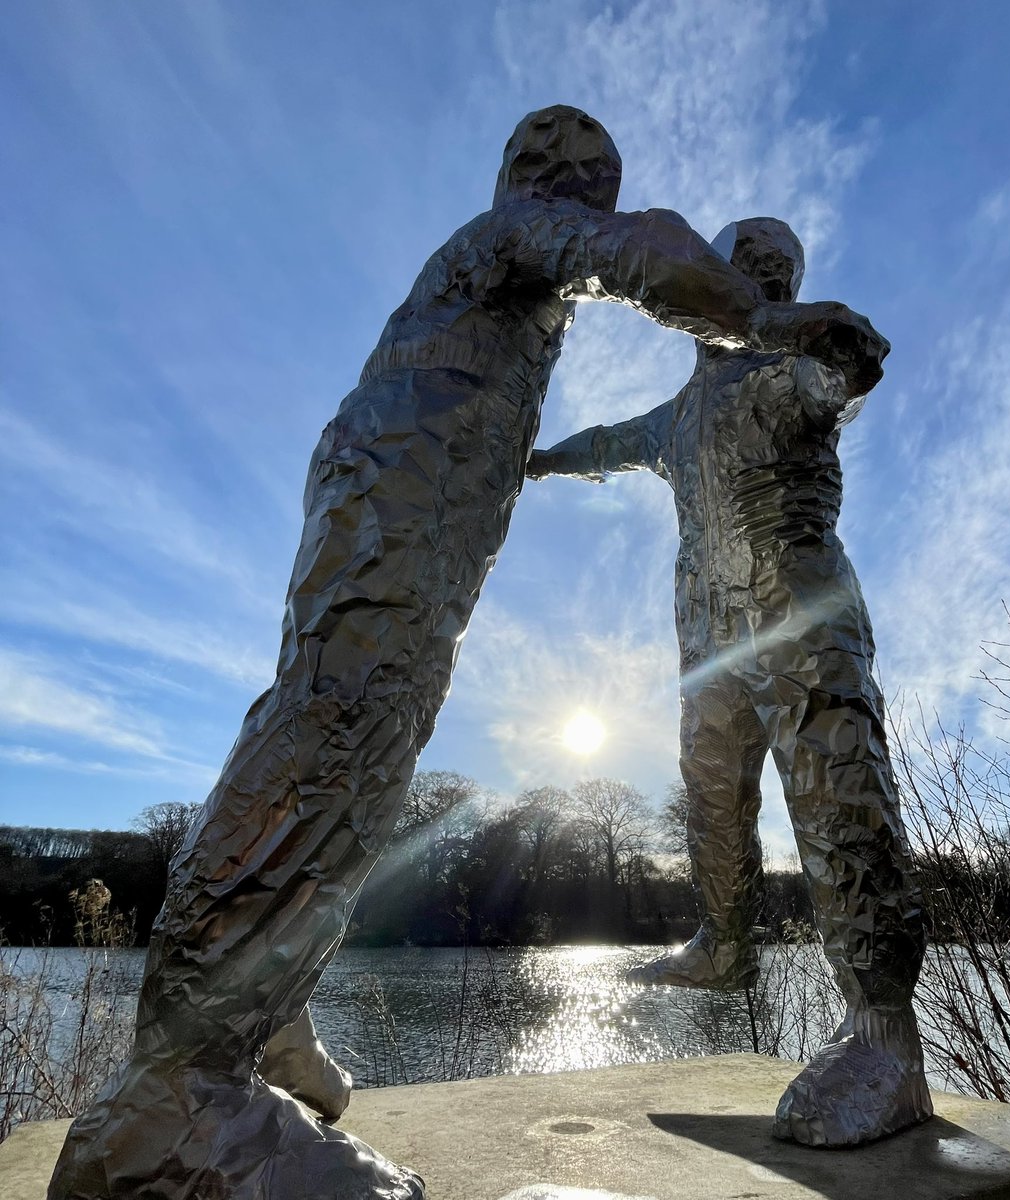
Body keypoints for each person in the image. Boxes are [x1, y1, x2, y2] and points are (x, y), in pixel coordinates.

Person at [49, 116, 890, 1199]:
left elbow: (747, 381)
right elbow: (640, 258)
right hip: (406, 500)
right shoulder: (517, 238)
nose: (600, 198)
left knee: (375, 740)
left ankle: (261, 1010)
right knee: (337, 724)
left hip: (456, 519)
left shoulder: (561, 304)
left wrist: (539, 456)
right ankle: (178, 1089)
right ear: (551, 181)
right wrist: (756, 318)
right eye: (592, 181)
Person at [527, 217, 929, 1148]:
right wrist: (540, 460)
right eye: (749, 270)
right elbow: (607, 444)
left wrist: (799, 334)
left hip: (801, 619)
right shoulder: (678, 417)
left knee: (839, 805)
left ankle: (885, 1037)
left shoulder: (790, 379)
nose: (766, 283)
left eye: (780, 275)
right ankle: (725, 943)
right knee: (711, 796)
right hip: (711, 638)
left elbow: (849, 364)